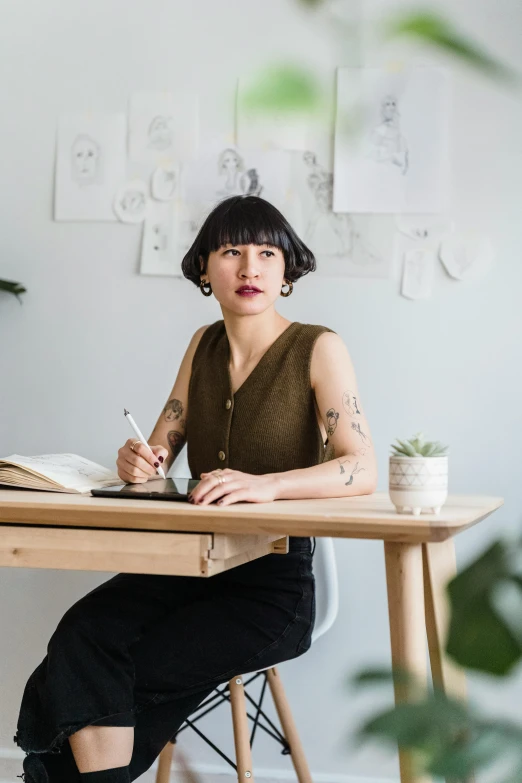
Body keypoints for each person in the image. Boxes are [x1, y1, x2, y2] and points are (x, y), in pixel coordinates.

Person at [14, 195, 377, 783]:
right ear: (205, 268)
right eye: (231, 251)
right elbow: (159, 453)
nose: (249, 267)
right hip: (182, 566)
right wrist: (137, 462)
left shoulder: (318, 347)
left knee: (101, 671)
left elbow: (362, 468)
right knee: (83, 637)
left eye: (266, 252)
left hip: (270, 589)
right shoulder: (202, 345)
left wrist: (266, 487)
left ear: (288, 270)